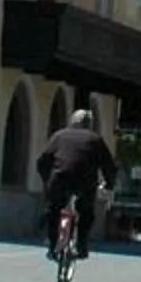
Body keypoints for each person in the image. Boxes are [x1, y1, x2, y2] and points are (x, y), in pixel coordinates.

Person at [36, 108, 118, 260]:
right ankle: (81, 245)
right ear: (89, 125)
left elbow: (43, 160)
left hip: (59, 178)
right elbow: (109, 166)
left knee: (53, 209)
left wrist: (46, 180)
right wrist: (109, 184)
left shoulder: (59, 136)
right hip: (84, 181)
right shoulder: (95, 139)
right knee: (86, 211)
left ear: (72, 122)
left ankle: (52, 244)